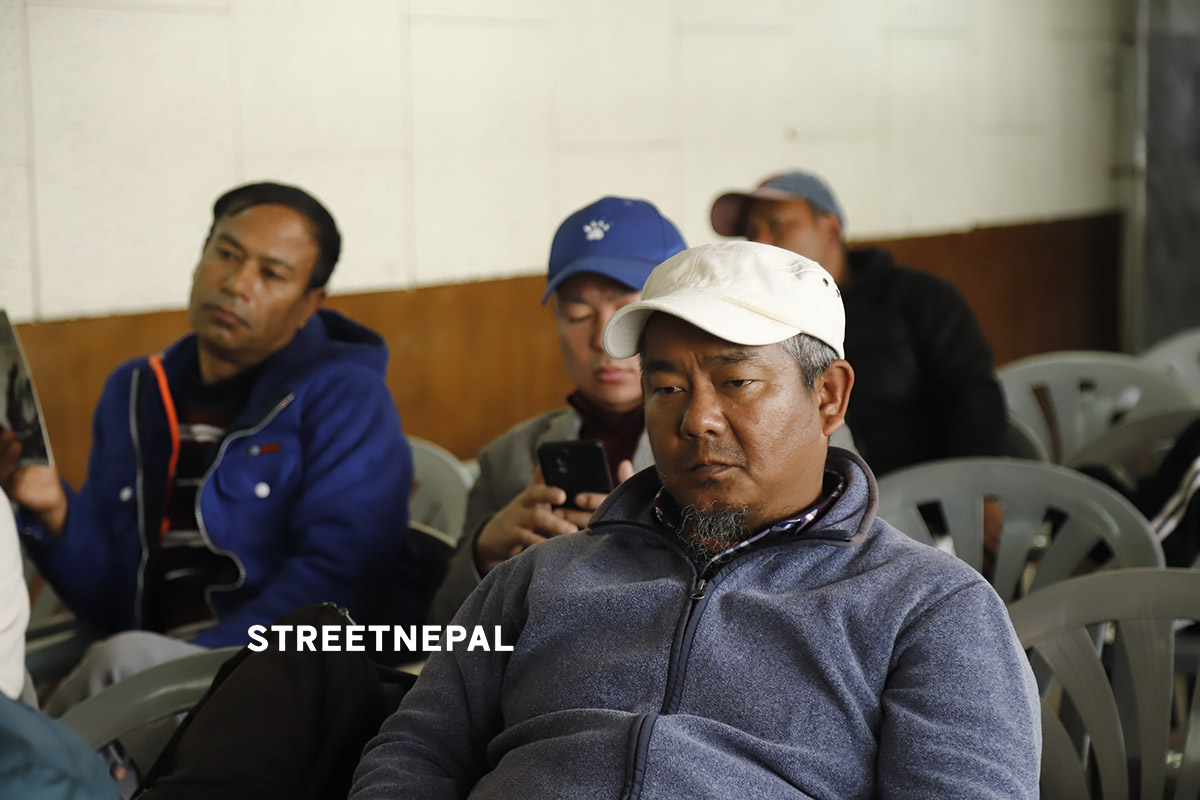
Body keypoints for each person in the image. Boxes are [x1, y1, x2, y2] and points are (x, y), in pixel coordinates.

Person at [351, 242, 1041, 799]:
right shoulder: (539, 577)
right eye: (667, 387)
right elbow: (417, 748)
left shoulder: (929, 608)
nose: (696, 419)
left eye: (736, 381)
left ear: (828, 397)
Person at [0, 182, 415, 711]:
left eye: (271, 274)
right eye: (226, 254)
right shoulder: (135, 391)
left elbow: (338, 582)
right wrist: (54, 511)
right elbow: (113, 600)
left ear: (310, 304)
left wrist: (189, 671)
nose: (236, 284)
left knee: (108, 672)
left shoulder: (348, 397)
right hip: (150, 666)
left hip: (273, 678)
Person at [427, 196, 686, 624]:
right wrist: (484, 554)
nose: (603, 339)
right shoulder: (507, 459)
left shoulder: (723, 444)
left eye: (626, 311)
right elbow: (441, 632)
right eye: (578, 314)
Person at [711, 170, 1006, 477]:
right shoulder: (753, 323)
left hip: (930, 494)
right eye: (751, 233)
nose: (760, 243)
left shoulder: (922, 298)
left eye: (777, 225)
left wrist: (978, 487)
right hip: (814, 500)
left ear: (831, 229)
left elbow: (973, 400)